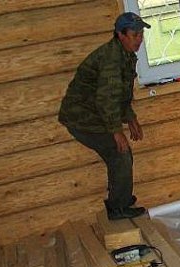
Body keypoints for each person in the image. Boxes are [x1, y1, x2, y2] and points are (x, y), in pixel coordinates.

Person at [59, 12, 150, 220]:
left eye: (141, 34)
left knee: (121, 154)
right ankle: (118, 208)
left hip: (96, 113)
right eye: (135, 35)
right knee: (120, 153)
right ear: (121, 35)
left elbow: (121, 94)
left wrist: (130, 117)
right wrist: (116, 131)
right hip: (82, 117)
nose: (139, 39)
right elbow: (106, 100)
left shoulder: (125, 54)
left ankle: (120, 200)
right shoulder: (111, 59)